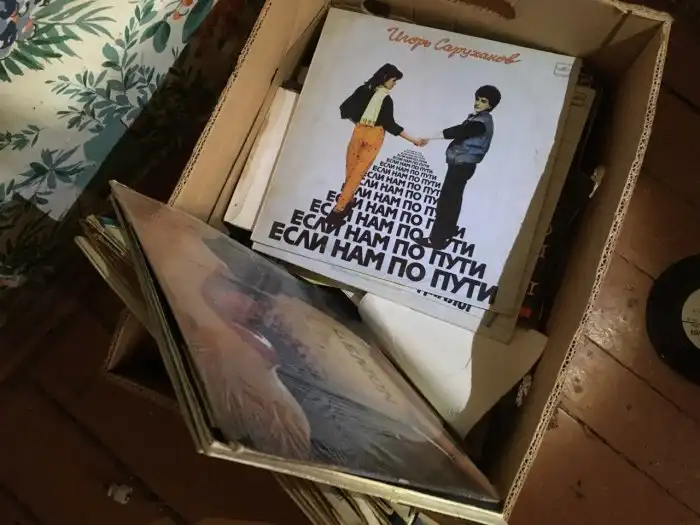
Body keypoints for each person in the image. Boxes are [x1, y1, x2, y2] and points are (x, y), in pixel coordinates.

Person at [326, 63, 424, 229]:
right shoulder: (379, 97)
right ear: (385, 78)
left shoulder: (369, 93)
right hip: (370, 134)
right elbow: (389, 124)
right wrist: (413, 140)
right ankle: (343, 205)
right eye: (393, 80)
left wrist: (360, 123)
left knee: (353, 171)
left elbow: (347, 109)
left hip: (364, 132)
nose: (395, 84)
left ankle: (342, 206)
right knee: (354, 172)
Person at [417, 85, 501, 250]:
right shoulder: (479, 119)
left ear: (491, 105)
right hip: (462, 165)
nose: (478, 103)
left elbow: (458, 131)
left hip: (461, 165)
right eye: (477, 99)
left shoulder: (481, 123)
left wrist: (429, 137)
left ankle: (437, 240)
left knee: (446, 202)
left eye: (483, 101)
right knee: (453, 200)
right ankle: (447, 232)